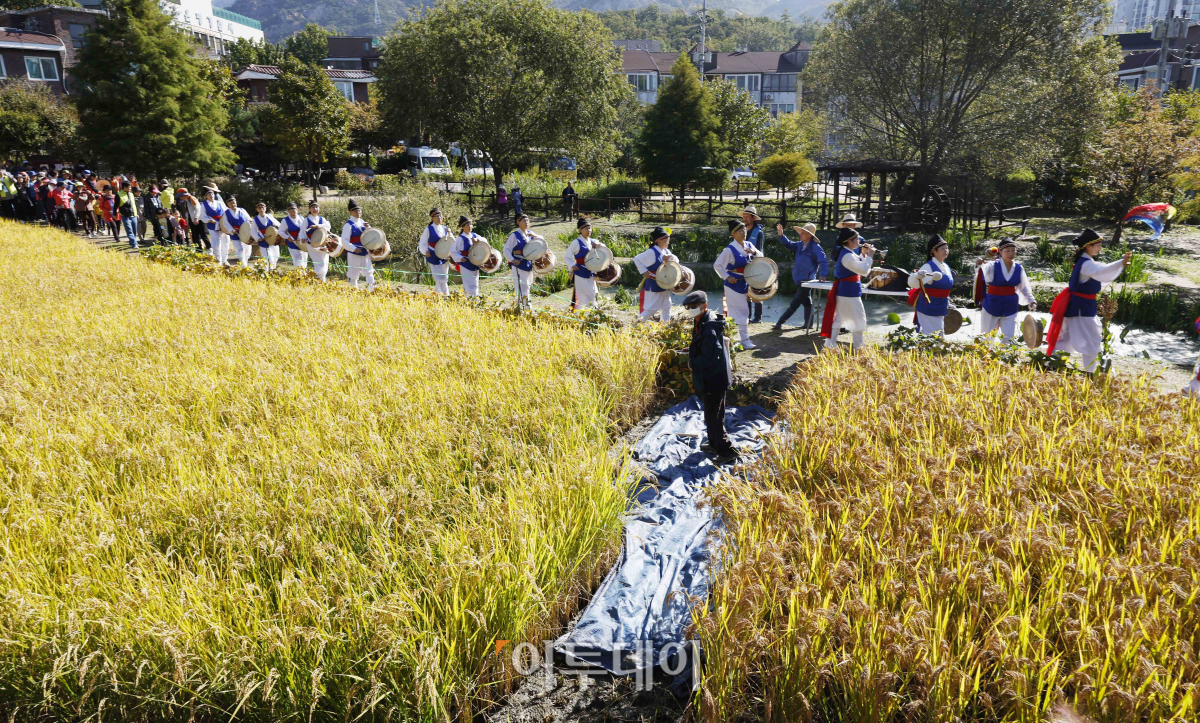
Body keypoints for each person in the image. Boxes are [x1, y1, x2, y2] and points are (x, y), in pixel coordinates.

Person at [1045, 229, 1130, 373]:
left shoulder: (1085, 262)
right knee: (1092, 339)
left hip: (1079, 305)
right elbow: (1102, 271)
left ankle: (1052, 364)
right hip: (1081, 308)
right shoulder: (1086, 264)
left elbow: (1100, 275)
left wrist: (1119, 265)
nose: (1100, 248)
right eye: (1098, 245)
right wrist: (1120, 263)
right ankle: (1092, 371)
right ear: (1089, 246)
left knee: (1068, 338)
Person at [684, 290, 738, 463]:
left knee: (714, 416)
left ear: (704, 306)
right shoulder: (701, 320)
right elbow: (706, 347)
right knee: (712, 413)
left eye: (694, 307)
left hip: (714, 379)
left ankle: (727, 451)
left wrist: (693, 363)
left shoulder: (709, 328)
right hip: (713, 377)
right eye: (688, 307)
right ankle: (714, 443)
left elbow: (712, 356)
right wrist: (692, 350)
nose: (690, 310)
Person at [821, 226, 876, 351]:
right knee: (859, 318)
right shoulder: (847, 256)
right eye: (857, 239)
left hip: (846, 291)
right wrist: (870, 256)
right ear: (849, 241)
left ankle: (830, 345)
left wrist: (863, 254)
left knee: (839, 318)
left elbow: (860, 265)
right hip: (848, 292)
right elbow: (863, 271)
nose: (859, 241)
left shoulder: (848, 253)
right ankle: (858, 347)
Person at [975, 237, 1036, 343]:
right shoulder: (992, 266)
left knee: (1009, 337)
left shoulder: (1018, 268)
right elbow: (981, 272)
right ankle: (984, 356)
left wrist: (1031, 300)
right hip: (992, 303)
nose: (1010, 253)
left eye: (1013, 250)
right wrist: (978, 265)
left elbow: (1024, 287)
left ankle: (1006, 357)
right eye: (1007, 251)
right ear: (1000, 252)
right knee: (987, 336)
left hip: (1010, 304)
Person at [713, 220, 763, 349]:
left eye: (745, 230)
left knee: (742, 311)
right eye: (741, 231)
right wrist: (727, 276)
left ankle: (736, 340)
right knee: (738, 312)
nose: (744, 232)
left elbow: (761, 256)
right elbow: (717, 266)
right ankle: (741, 340)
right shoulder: (729, 250)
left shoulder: (748, 244)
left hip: (746, 281)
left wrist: (753, 252)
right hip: (734, 284)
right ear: (733, 233)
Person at [773, 222, 828, 331]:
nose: (801, 234)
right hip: (798, 279)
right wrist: (781, 235)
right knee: (806, 301)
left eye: (803, 233)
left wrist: (823, 274)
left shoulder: (815, 247)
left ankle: (779, 322)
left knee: (795, 302)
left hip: (808, 281)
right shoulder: (799, 245)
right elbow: (788, 244)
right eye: (801, 232)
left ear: (810, 235)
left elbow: (824, 261)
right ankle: (809, 324)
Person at [906, 235, 955, 335]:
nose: (946, 250)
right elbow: (912, 283)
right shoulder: (928, 267)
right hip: (929, 307)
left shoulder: (946, 266)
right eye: (942, 249)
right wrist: (917, 276)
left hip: (940, 306)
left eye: (947, 248)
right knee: (935, 338)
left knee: (934, 337)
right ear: (934, 251)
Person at [633, 227, 679, 325]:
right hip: (654, 283)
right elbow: (636, 259)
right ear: (658, 240)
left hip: (665, 283)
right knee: (652, 309)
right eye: (666, 240)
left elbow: (676, 261)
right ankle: (636, 324)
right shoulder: (651, 252)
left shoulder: (666, 251)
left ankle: (665, 326)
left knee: (667, 306)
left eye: (668, 240)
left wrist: (670, 258)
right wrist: (644, 271)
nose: (668, 242)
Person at [566, 217, 605, 311]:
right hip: (580, 271)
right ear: (580, 229)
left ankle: (592, 311)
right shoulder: (576, 242)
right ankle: (581, 313)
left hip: (591, 271)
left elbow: (604, 248)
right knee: (583, 294)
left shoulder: (593, 241)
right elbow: (567, 256)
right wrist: (572, 265)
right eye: (586, 228)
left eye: (590, 228)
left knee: (592, 292)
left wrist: (598, 246)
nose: (589, 230)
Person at [503, 213, 538, 308]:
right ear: (518, 222)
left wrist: (535, 236)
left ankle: (525, 306)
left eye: (527, 220)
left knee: (528, 286)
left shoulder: (531, 234)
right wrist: (512, 259)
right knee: (521, 287)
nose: (526, 222)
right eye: (524, 221)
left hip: (528, 263)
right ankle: (523, 307)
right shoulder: (514, 235)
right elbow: (506, 249)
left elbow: (541, 244)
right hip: (518, 264)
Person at [340, 199, 375, 290]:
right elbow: (344, 241)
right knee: (353, 273)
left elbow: (370, 235)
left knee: (369, 272)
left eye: (359, 210)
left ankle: (372, 290)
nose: (358, 212)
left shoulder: (363, 222)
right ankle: (354, 291)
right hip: (354, 253)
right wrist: (354, 248)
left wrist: (368, 228)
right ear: (350, 212)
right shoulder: (348, 225)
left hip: (365, 251)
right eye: (355, 210)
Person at [418, 207, 451, 295]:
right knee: (440, 278)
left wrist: (450, 233)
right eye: (437, 216)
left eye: (440, 216)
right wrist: (425, 251)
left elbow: (451, 241)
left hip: (444, 255)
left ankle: (439, 294)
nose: (439, 218)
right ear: (432, 218)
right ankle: (445, 295)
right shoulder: (429, 229)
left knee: (444, 277)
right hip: (434, 255)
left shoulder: (445, 228)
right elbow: (422, 243)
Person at [451, 215, 486, 297]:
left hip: (475, 262)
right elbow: (453, 251)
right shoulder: (461, 238)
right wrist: (460, 258)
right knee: (469, 284)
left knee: (475, 283)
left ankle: (475, 300)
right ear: (462, 227)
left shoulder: (474, 235)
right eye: (467, 225)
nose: (469, 226)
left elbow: (485, 241)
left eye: (470, 224)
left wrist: (478, 240)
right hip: (466, 263)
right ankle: (471, 301)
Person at [742, 206, 766, 323]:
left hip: (756, 264)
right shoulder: (742, 231)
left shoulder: (759, 233)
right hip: (744, 265)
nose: (745, 219)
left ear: (753, 218)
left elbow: (760, 251)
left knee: (756, 292)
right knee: (746, 292)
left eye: (747, 216)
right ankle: (747, 317)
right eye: (744, 216)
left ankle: (758, 318)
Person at [303, 201, 332, 281]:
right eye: (313, 207)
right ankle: (321, 281)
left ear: (319, 209)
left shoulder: (322, 219)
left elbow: (328, 226)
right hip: (312, 245)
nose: (315, 209)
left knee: (325, 262)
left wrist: (317, 226)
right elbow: (302, 232)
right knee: (318, 263)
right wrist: (302, 238)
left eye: (316, 207)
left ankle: (322, 280)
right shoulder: (306, 220)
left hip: (323, 244)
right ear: (309, 209)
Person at [199, 185, 228, 262]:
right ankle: (218, 259)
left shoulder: (219, 203)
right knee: (216, 242)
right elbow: (202, 216)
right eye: (209, 194)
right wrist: (209, 220)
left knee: (225, 241)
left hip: (222, 224)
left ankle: (225, 260)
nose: (211, 195)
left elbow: (226, 211)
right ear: (206, 196)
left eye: (212, 194)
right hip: (212, 224)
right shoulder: (204, 205)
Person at [223, 197, 253, 267]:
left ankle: (246, 260)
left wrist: (250, 222)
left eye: (234, 203)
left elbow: (248, 219)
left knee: (247, 247)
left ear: (236, 202)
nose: (233, 205)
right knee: (238, 248)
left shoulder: (242, 210)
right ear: (228, 205)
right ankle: (242, 263)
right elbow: (225, 223)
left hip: (244, 231)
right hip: (234, 232)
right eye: (230, 204)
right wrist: (231, 230)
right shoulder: (226, 213)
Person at [252, 202, 281, 270]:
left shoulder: (270, 217)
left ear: (265, 208)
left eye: (263, 207)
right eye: (259, 207)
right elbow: (253, 230)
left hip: (273, 238)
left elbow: (278, 225)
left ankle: (273, 269)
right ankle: (269, 269)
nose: (261, 209)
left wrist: (276, 228)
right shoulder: (255, 219)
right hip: (263, 240)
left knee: (276, 255)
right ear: (257, 209)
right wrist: (258, 238)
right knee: (268, 256)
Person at [280, 202, 308, 270]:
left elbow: (306, 229)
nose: (292, 213)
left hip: (302, 242)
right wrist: (287, 237)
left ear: (297, 210)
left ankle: (304, 276)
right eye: (290, 211)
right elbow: (280, 231)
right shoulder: (285, 220)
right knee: (297, 259)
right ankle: (299, 275)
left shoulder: (301, 218)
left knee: (304, 259)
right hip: (292, 243)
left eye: (294, 210)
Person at [118, 183, 141, 248]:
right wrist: (115, 213)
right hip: (125, 216)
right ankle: (134, 243)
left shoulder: (131, 194)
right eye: (129, 187)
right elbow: (116, 205)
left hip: (134, 215)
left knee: (134, 230)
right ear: (124, 187)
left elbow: (134, 204)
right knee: (129, 230)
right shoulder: (119, 195)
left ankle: (131, 242)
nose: (130, 189)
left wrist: (137, 214)